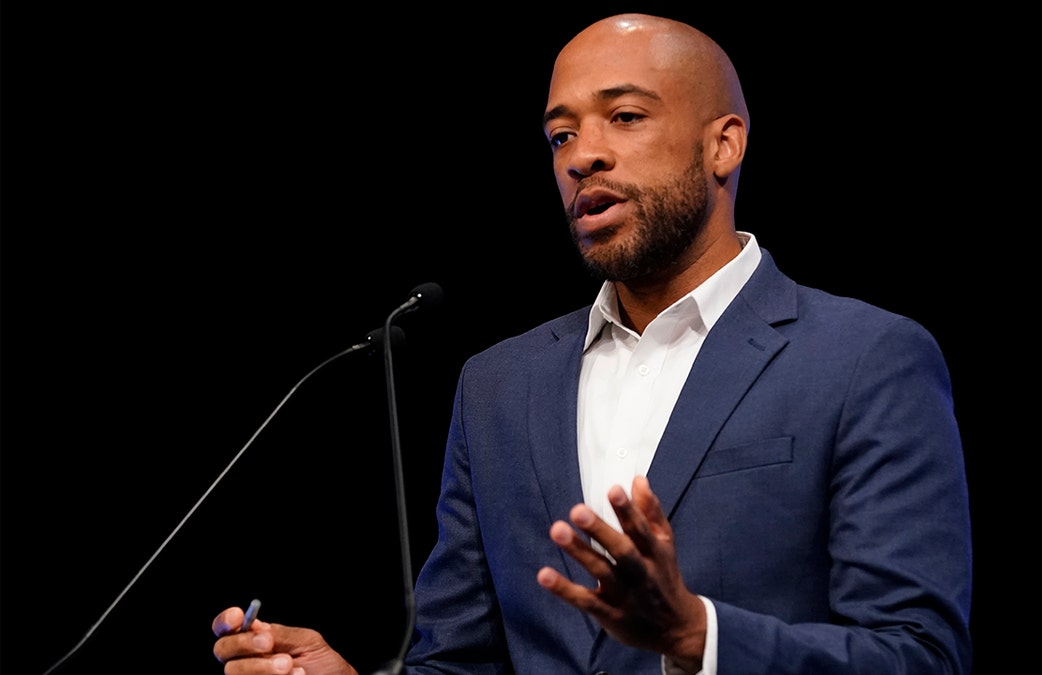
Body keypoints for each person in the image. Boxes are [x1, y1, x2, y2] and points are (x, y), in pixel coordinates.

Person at [211, 12, 973, 674]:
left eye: (627, 117)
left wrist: (697, 635)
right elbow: (460, 658)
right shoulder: (497, 385)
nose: (582, 157)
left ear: (725, 145)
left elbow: (919, 654)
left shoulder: (866, 358)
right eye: (561, 133)